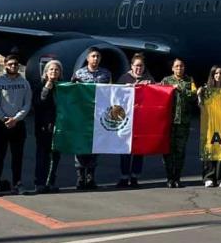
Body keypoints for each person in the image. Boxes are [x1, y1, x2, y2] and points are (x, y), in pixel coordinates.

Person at [0, 53, 32, 196]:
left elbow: (27, 104)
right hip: (1, 124)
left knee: (17, 156)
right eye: (10, 64)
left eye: (15, 64)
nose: (13, 66)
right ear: (5, 65)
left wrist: (16, 119)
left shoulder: (24, 83)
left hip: (18, 125)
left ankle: (17, 183)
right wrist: (3, 118)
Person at [71, 47, 111, 189]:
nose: (95, 59)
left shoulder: (106, 74)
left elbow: (111, 91)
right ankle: (80, 177)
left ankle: (91, 176)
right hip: (82, 114)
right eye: (93, 56)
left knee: (95, 145)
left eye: (98, 56)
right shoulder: (79, 74)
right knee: (81, 145)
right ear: (87, 58)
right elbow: (72, 92)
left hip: (98, 115)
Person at [116, 53, 154, 188]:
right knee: (124, 149)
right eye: (136, 66)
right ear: (131, 66)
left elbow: (155, 98)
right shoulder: (124, 78)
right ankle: (124, 176)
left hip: (141, 120)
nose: (139, 68)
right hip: (126, 119)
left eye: (141, 66)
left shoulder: (149, 79)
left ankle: (135, 177)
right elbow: (115, 97)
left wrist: (151, 87)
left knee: (139, 150)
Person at [161, 57, 197, 188]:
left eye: (181, 66)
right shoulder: (166, 81)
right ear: (172, 68)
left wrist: (182, 90)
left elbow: (194, 96)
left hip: (183, 121)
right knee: (168, 151)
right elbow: (158, 94)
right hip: (169, 121)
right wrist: (170, 88)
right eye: (176, 66)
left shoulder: (189, 80)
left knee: (180, 151)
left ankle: (177, 177)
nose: (179, 68)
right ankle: (169, 177)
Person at [31, 59, 63, 194]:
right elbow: (38, 103)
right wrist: (47, 88)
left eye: (56, 70)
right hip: (43, 126)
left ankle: (51, 182)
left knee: (55, 156)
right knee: (42, 155)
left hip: (59, 126)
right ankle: (40, 182)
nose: (54, 72)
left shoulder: (63, 87)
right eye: (51, 69)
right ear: (46, 72)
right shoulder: (40, 86)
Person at [198, 65, 221, 188]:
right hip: (209, 124)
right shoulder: (206, 89)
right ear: (212, 75)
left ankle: (220, 176)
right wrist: (199, 95)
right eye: (216, 73)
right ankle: (208, 177)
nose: (218, 75)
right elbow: (200, 106)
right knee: (209, 150)